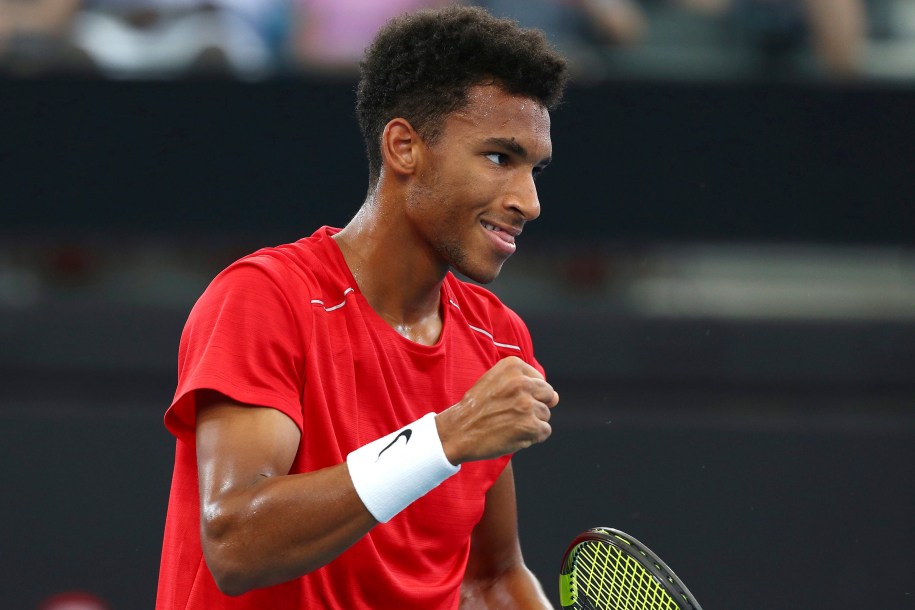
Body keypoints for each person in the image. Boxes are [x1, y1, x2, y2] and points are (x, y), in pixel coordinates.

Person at [155, 6, 568, 609]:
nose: (528, 201)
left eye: (535, 169)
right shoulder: (266, 298)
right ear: (404, 147)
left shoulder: (499, 339)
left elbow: (489, 578)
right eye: (500, 158)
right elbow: (237, 542)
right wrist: (444, 438)